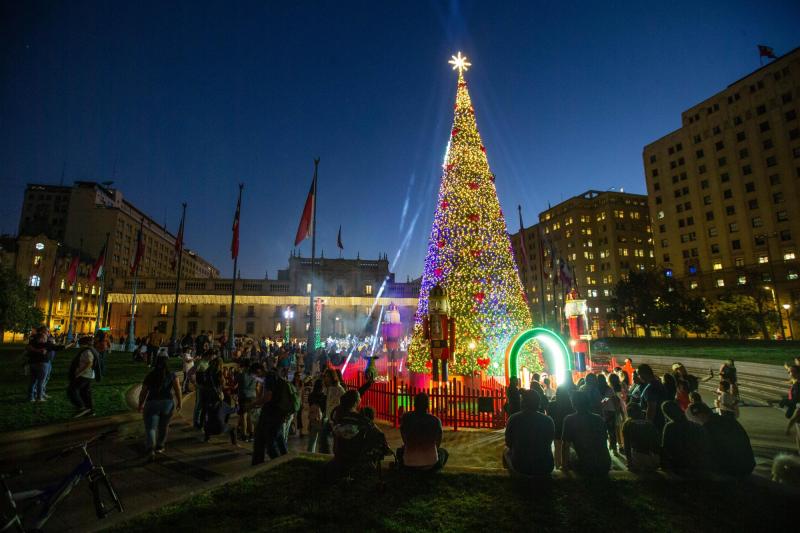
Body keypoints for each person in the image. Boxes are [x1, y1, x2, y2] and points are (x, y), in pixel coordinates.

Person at [330, 389, 390, 475]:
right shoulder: (362, 420)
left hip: (339, 458)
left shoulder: (338, 416)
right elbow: (380, 436)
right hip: (355, 462)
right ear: (356, 403)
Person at [693, 402, 755, 477]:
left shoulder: (708, 428)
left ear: (700, 416)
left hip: (732, 470)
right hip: (748, 464)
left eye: (694, 420)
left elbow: (707, 452)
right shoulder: (728, 420)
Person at [138, 354, 182, 459]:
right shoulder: (172, 375)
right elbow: (177, 389)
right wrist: (180, 402)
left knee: (151, 428)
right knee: (164, 426)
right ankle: (160, 446)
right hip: (167, 403)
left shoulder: (151, 375)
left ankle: (150, 449)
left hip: (152, 402)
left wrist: (141, 404)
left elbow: (144, 391)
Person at [503, 390, 554, 477]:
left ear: (522, 402)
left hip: (521, 467)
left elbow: (509, 443)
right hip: (545, 466)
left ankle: (512, 479)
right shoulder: (548, 420)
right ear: (538, 403)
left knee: (505, 451)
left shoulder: (513, 419)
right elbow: (549, 441)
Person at [561, 391, 611, 476]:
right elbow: (604, 441)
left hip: (585, 465)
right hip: (604, 464)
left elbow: (565, 445)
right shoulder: (598, 419)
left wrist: (564, 465)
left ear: (573, 403)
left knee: (572, 450)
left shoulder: (570, 419)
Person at [397, 393, 448, 471]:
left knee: (399, 451)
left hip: (409, 462)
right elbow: (438, 440)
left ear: (414, 404)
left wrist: (408, 444)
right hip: (431, 463)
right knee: (444, 452)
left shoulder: (406, 418)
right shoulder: (435, 420)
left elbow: (403, 434)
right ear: (427, 405)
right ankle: (435, 471)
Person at [660, 400, 708, 475]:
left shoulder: (670, 427)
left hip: (679, 464)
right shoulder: (695, 426)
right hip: (696, 463)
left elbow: (665, 447)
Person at [67, 332, 108, 417]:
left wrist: (79, 372)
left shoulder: (87, 351)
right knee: (85, 393)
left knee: (72, 390)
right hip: (89, 375)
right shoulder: (91, 349)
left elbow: (89, 362)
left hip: (84, 375)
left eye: (80, 344)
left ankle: (82, 407)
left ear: (83, 344)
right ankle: (90, 411)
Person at [622, 404, 660, 472]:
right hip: (654, 458)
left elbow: (626, 446)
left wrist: (629, 463)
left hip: (638, 458)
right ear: (641, 412)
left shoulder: (628, 425)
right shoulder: (649, 424)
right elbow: (656, 444)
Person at [546, 385, 574, 470]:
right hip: (568, 430)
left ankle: (558, 467)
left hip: (556, 428)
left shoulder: (552, 405)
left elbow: (549, 416)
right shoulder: (570, 405)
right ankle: (567, 465)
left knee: (557, 448)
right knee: (567, 448)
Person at [638, 364, 669, 434]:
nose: (638, 377)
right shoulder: (659, 384)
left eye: (639, 374)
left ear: (643, 374)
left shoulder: (651, 388)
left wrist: (647, 425)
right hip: (661, 420)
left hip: (654, 424)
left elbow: (651, 408)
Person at [237, 362, 261, 442]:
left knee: (243, 416)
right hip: (252, 397)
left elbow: (238, 383)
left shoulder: (242, 375)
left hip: (243, 396)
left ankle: (244, 435)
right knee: (250, 416)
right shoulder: (254, 376)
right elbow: (258, 385)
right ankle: (251, 434)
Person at [598, 373, 621, 454]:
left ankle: (606, 448)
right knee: (611, 431)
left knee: (603, 431)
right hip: (610, 411)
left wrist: (600, 403)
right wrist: (617, 410)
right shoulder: (609, 389)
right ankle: (614, 449)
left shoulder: (597, 390)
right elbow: (614, 400)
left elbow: (604, 400)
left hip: (602, 412)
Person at [306, 379, 326, 452]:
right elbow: (324, 408)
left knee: (312, 440)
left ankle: (310, 454)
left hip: (313, 418)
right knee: (321, 441)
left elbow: (310, 405)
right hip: (321, 419)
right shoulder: (323, 396)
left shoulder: (311, 395)